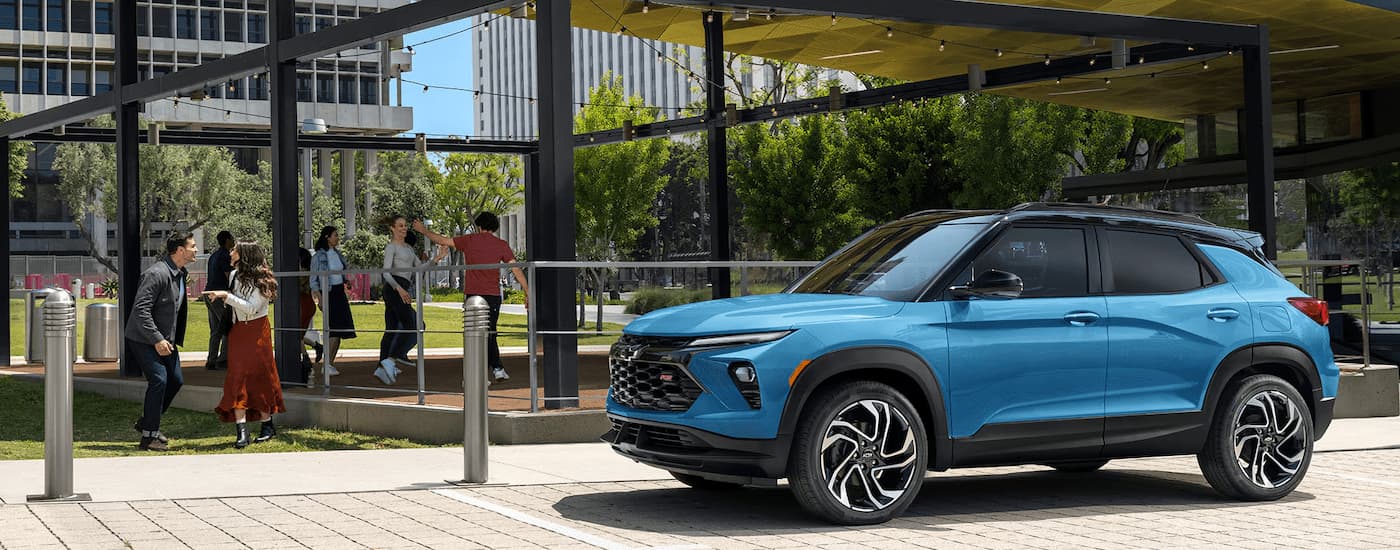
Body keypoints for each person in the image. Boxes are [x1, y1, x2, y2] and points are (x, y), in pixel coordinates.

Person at [414, 212, 529, 382]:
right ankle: (495, 369)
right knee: (490, 333)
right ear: (495, 227)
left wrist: (423, 230)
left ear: (479, 226)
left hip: (473, 294)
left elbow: (442, 240)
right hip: (492, 295)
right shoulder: (501, 245)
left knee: (477, 335)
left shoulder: (469, 240)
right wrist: (527, 291)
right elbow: (516, 269)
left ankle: (488, 371)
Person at [203, 242, 286, 448]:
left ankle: (267, 425)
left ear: (244, 255)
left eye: (234, 250)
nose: (230, 253)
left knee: (260, 377)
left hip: (257, 332)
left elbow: (251, 308)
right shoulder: (233, 276)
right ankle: (242, 431)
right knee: (237, 377)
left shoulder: (262, 280)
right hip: (239, 331)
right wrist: (226, 297)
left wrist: (226, 296)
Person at [125, 233, 197, 451]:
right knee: (159, 380)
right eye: (192, 246)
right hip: (144, 338)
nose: (196, 249)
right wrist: (156, 339)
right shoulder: (156, 274)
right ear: (180, 250)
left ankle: (148, 422)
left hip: (166, 340)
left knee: (175, 381)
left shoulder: (180, 273)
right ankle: (149, 437)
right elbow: (140, 310)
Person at [377, 216, 446, 385]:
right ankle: (392, 358)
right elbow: (386, 272)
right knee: (413, 324)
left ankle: (383, 365)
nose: (404, 228)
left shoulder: (408, 249)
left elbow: (419, 268)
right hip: (394, 288)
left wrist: (437, 258)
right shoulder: (391, 247)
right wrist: (399, 289)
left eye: (405, 225)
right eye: (400, 226)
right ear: (392, 228)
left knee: (393, 328)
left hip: (402, 287)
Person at [310, 226, 356, 376]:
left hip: (339, 293)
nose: (337, 237)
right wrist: (320, 298)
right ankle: (326, 364)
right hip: (328, 293)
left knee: (340, 329)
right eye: (335, 235)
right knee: (333, 329)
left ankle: (329, 363)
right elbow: (314, 280)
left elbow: (340, 272)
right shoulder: (318, 256)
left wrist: (345, 281)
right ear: (327, 237)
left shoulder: (337, 254)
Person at [204, 230, 235, 370]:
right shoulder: (225, 255)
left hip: (208, 293)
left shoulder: (214, 255)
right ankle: (223, 360)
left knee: (215, 329)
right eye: (232, 238)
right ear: (227, 240)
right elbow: (229, 276)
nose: (234, 241)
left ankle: (211, 360)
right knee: (227, 327)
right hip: (219, 295)